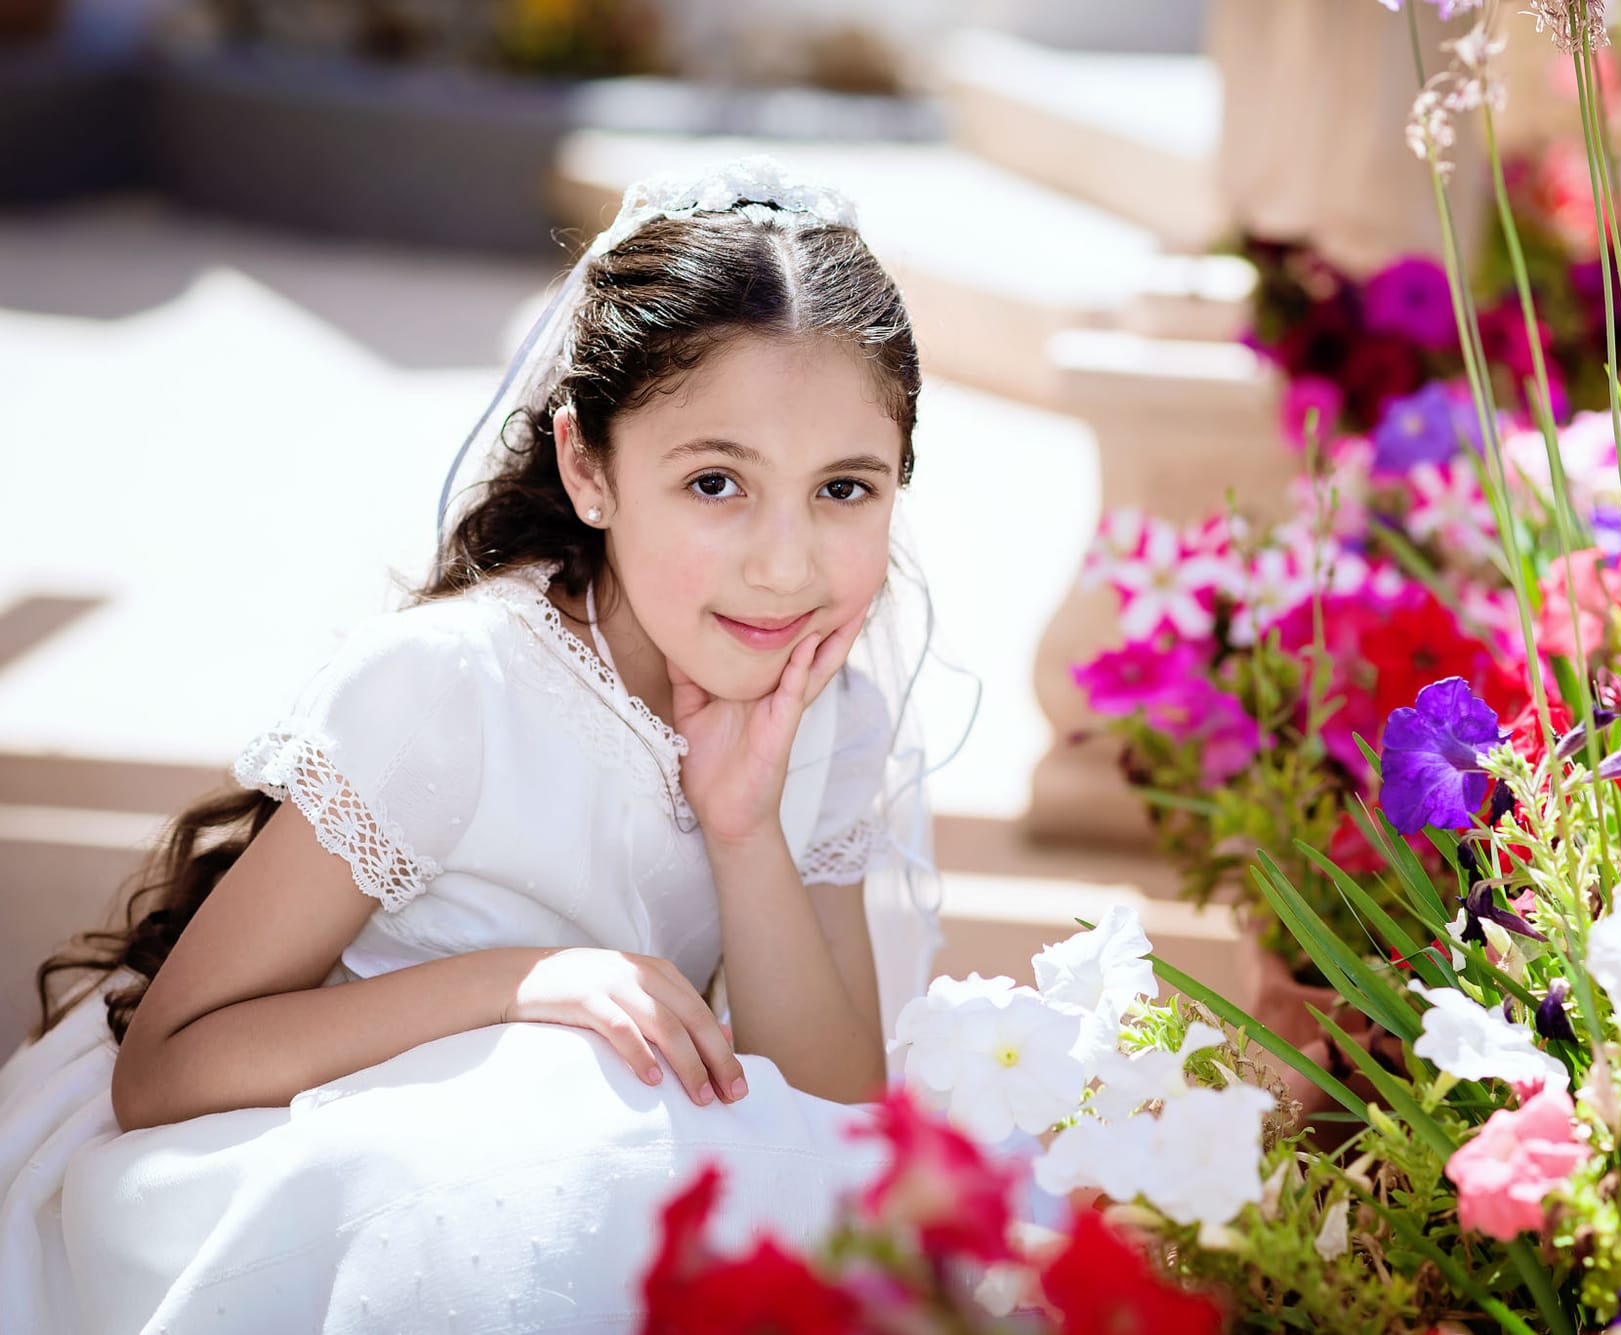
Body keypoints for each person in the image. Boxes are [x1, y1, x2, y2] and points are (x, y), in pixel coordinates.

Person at [0, 156, 960, 1333]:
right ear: (587, 469)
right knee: (579, 1118)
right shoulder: (454, 688)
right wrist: (521, 986)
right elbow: (166, 1072)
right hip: (297, 1174)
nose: (785, 563)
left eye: (845, 490)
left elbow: (831, 1118)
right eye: (716, 482)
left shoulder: (831, 716)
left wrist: (742, 826)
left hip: (567, 1190)